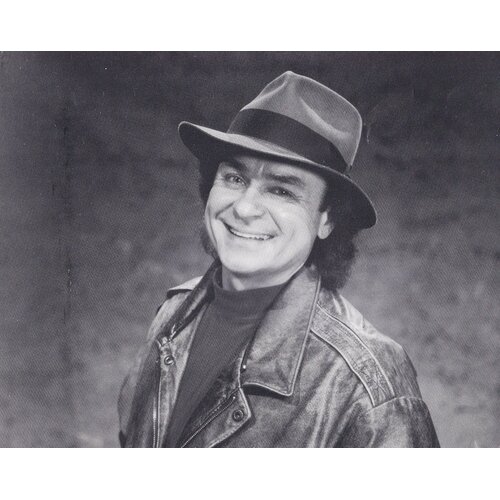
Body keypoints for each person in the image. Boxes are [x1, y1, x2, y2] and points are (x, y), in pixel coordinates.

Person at [118, 71, 440, 447]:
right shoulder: (173, 312)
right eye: (234, 178)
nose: (245, 208)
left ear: (327, 219)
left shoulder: (371, 386)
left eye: (281, 191)